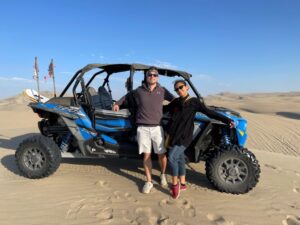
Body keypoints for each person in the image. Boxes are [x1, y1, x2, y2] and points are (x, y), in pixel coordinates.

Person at [164, 80, 234, 199]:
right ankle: (183, 183)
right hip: (173, 135)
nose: (179, 90)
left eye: (181, 87)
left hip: (185, 137)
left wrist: (227, 120)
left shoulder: (194, 102)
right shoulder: (176, 102)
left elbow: (209, 112)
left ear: (187, 88)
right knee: (180, 158)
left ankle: (175, 184)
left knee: (172, 157)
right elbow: (164, 109)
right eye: (176, 89)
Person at [113, 67, 174, 194]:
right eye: (150, 75)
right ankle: (149, 181)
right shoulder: (138, 91)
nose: (152, 77)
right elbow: (125, 98)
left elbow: (174, 100)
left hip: (157, 127)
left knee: (161, 154)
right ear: (146, 77)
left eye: (154, 75)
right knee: (146, 155)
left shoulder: (162, 91)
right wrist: (117, 104)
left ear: (158, 77)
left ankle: (163, 174)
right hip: (143, 128)